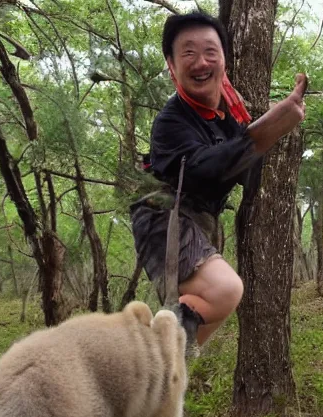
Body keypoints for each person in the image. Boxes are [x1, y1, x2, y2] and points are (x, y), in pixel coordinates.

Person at [131, 12, 306, 347]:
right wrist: (267, 131)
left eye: (211, 52)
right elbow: (204, 170)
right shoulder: (170, 122)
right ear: (171, 64)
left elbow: (242, 171)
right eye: (188, 53)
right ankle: (144, 365)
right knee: (224, 289)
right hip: (160, 216)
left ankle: (155, 374)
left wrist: (263, 130)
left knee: (194, 321)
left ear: (224, 60)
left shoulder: (228, 119)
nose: (201, 62)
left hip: (200, 220)